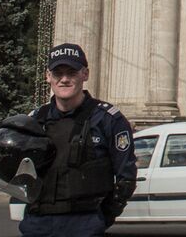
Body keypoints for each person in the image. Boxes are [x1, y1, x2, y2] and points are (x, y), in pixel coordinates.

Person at [18, 43, 138, 237]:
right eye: (58, 73)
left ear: (85, 74)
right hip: (37, 223)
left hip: (85, 224)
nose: (64, 79)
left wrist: (101, 218)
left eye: (72, 73)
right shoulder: (35, 120)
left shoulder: (107, 119)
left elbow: (126, 179)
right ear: (48, 77)